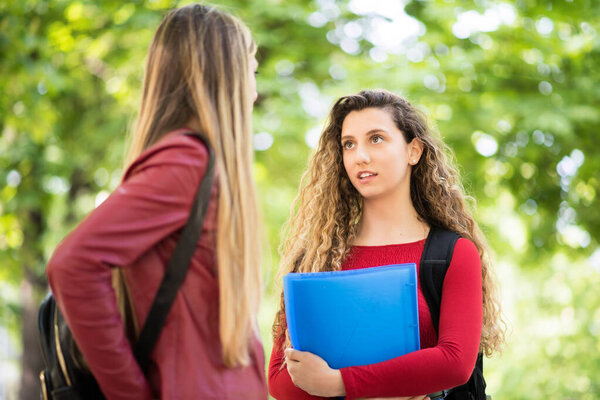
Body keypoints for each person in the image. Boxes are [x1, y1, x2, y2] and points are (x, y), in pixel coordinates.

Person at [46, 4, 267, 399]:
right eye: (251, 72)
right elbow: (72, 264)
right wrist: (129, 393)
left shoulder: (195, 164)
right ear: (225, 77)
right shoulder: (187, 162)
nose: (254, 91)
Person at [268, 89, 505, 400]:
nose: (360, 156)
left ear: (414, 151)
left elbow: (454, 363)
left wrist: (339, 383)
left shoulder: (452, 253)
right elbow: (281, 380)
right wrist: (395, 385)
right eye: (348, 144)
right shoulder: (315, 258)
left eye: (376, 138)